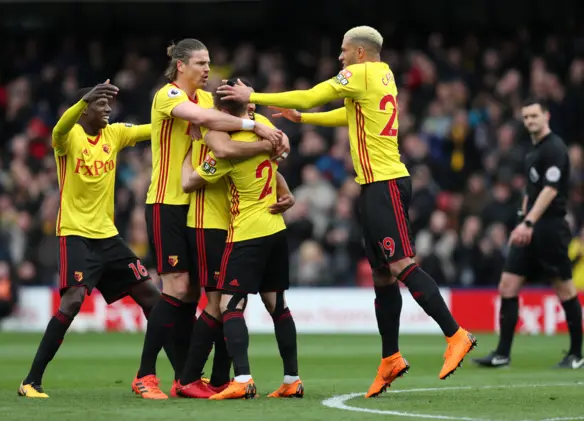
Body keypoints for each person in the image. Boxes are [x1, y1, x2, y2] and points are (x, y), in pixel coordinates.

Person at [218, 26, 477, 397]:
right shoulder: (383, 76)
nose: (339, 56)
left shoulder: (361, 72)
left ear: (359, 52)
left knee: (401, 264)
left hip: (384, 183)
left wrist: (253, 95)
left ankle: (456, 334)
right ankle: (390, 358)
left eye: (343, 51)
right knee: (382, 275)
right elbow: (347, 116)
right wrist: (302, 120)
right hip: (375, 186)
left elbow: (310, 95)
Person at [133, 39, 288, 400]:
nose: (207, 69)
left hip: (199, 210)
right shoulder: (168, 96)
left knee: (198, 295)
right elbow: (206, 123)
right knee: (177, 288)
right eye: (201, 62)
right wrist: (254, 126)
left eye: (209, 62)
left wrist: (274, 157)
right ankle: (145, 375)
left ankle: (191, 376)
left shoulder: (206, 99)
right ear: (180, 65)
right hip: (167, 202)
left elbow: (223, 131)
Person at [18, 81, 171, 398]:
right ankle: (31, 381)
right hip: (75, 235)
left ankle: (168, 376)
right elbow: (58, 128)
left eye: (108, 105)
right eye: (101, 104)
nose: (108, 109)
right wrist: (82, 99)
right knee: (72, 301)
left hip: (109, 238)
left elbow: (151, 129)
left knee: (152, 298)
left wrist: (186, 116)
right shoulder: (69, 136)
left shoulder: (113, 134)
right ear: (85, 107)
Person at [180, 85, 303, 401]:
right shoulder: (272, 137)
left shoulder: (229, 149)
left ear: (222, 114)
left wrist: (185, 152)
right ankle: (292, 379)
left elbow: (189, 182)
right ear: (248, 110)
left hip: (247, 233)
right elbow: (284, 150)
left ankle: (243, 379)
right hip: (276, 228)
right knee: (278, 306)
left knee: (229, 304)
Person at [473, 98, 583, 369]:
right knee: (507, 286)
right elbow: (530, 192)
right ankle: (502, 354)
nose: (530, 121)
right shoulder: (533, 151)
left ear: (546, 116)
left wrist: (530, 223)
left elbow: (550, 190)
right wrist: (521, 221)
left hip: (550, 228)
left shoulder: (555, 148)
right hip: (530, 227)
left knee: (564, 289)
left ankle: (577, 354)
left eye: (534, 116)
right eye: (526, 117)